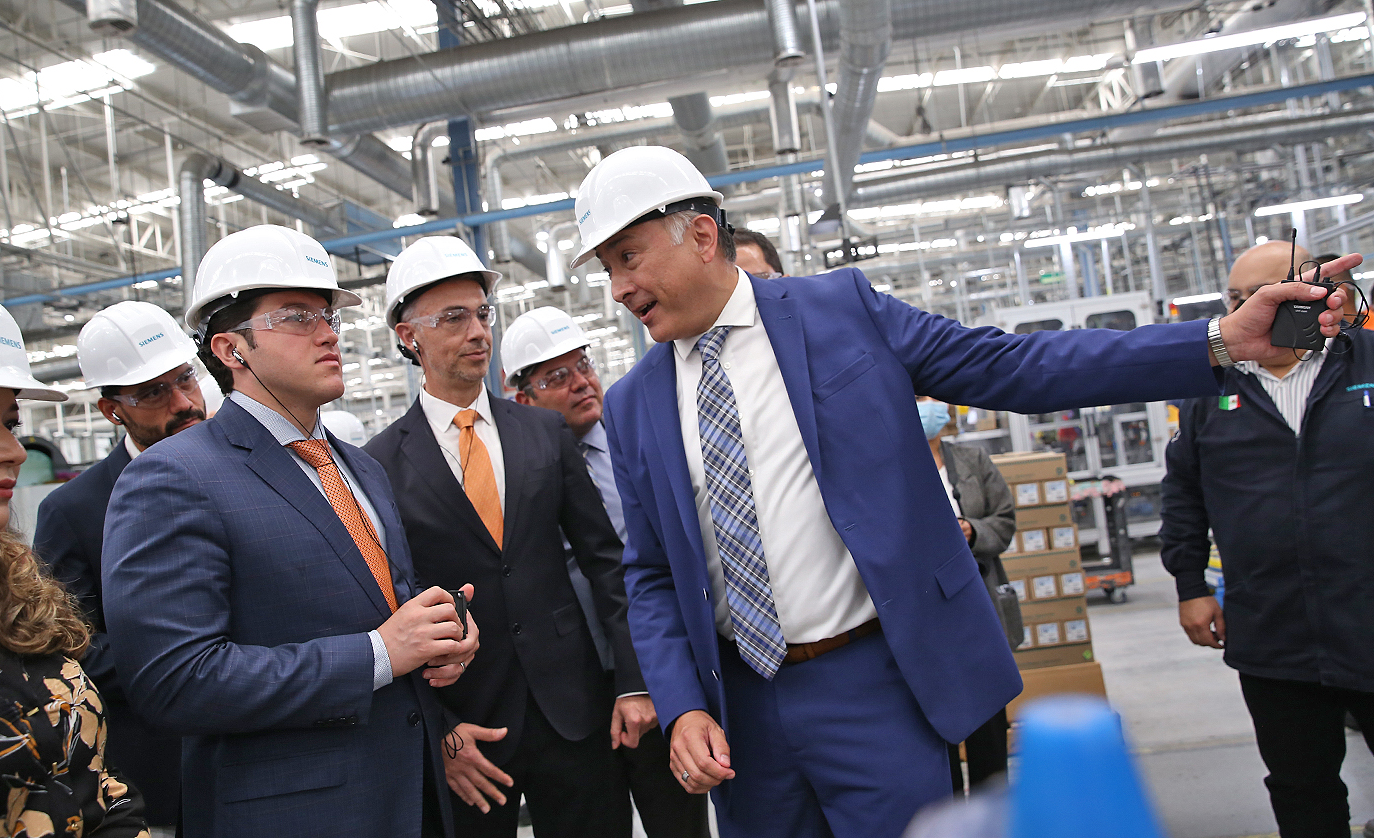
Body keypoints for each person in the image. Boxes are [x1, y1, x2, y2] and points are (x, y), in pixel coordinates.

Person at [571, 145, 1358, 838]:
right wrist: (684, 704)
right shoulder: (635, 404)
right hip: (740, 717)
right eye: (607, 269)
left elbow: (1015, 366)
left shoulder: (840, 313)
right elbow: (650, 574)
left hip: (873, 684)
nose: (618, 288)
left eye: (628, 257)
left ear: (701, 235)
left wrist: (1219, 340)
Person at [101, 225, 476, 838]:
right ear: (231, 349)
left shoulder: (361, 469)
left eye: (328, 316)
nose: (328, 333)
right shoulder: (173, 478)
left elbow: (383, 610)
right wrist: (380, 654)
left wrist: (439, 637)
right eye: (298, 317)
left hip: (411, 798)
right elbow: (174, 681)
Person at [365, 236, 646, 838]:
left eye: (482, 314)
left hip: (575, 711)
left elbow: (606, 564)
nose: (478, 332)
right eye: (453, 318)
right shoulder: (378, 464)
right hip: (471, 728)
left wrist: (632, 682)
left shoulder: (543, 433)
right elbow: (385, 608)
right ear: (408, 337)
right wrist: (441, 732)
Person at [1162, 240, 1374, 838]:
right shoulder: (1210, 389)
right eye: (1234, 298)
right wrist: (1189, 585)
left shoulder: (1366, 364)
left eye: (1259, 293)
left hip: (1368, 614)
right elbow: (1183, 493)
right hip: (1272, 628)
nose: (1243, 309)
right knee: (1301, 786)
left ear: (1312, 292)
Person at [501, 306, 712, 838]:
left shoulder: (635, 449)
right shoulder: (512, 478)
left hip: (659, 674)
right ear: (522, 399)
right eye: (557, 376)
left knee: (679, 823)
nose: (581, 383)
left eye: (583, 366)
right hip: (574, 697)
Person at [0, 284, 149, 837]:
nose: (14, 450)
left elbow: (90, 782)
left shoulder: (11, 593)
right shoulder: (75, 510)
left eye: (10, 422)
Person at [33, 301, 199, 835]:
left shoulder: (253, 474)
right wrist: (191, 665)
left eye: (185, 379)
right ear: (112, 410)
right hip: (160, 773)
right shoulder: (72, 511)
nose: (183, 402)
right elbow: (71, 642)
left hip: (267, 758)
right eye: (153, 392)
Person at [917, 397, 1016, 794]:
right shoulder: (892, 465)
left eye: (932, 398)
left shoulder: (972, 460)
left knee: (988, 712)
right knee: (938, 721)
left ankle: (993, 810)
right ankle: (951, 811)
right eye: (918, 399)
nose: (928, 407)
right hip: (924, 608)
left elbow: (1004, 520)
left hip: (977, 599)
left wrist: (973, 531)